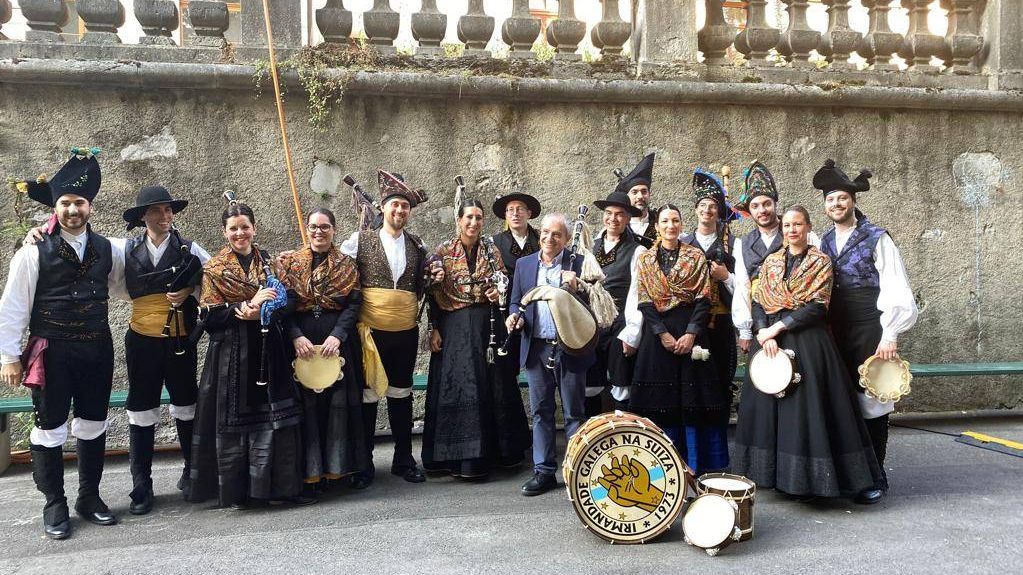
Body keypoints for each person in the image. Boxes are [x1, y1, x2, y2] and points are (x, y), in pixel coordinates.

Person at [23, 184, 213, 514]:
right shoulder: (122, 249)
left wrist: (190, 292)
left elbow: (213, 279)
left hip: (181, 340)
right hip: (141, 339)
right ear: (143, 216)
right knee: (141, 408)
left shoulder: (190, 248)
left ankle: (192, 473)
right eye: (156, 210)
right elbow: (97, 268)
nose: (164, 216)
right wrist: (41, 230)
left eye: (168, 210)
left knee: (187, 404)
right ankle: (142, 484)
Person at [0, 149, 125, 539]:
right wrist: (8, 356)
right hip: (51, 352)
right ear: (55, 207)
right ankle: (54, 502)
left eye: (80, 202)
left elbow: (127, 289)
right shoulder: (32, 251)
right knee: (49, 428)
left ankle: (89, 497)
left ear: (90, 206)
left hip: (96, 349)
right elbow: (14, 305)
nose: (73, 209)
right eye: (66, 203)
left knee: (93, 423)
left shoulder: (110, 248)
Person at [731, 205, 884, 501]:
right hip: (770, 340)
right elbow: (760, 300)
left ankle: (813, 481)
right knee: (770, 412)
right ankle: (776, 477)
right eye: (787, 225)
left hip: (807, 341)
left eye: (797, 224)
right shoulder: (771, 262)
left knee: (808, 412)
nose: (791, 230)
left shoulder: (820, 261)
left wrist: (776, 329)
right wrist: (763, 331)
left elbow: (817, 305)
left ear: (807, 227)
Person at [188, 198, 308, 509]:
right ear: (224, 231)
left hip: (271, 349)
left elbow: (292, 298)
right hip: (232, 354)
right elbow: (209, 316)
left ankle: (278, 488)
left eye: (245, 227)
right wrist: (243, 307)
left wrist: (267, 310)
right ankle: (239, 492)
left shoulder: (270, 262)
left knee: (275, 417)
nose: (240, 233)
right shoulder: (213, 269)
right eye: (233, 229)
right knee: (237, 420)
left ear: (254, 229)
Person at [815, 159, 919, 504]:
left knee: (872, 401)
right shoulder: (823, 242)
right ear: (825, 205)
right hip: (833, 330)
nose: (837, 205)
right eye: (831, 200)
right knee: (842, 402)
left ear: (853, 201)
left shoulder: (877, 238)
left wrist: (889, 334)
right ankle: (849, 475)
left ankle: (876, 477)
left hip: (868, 327)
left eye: (842, 198)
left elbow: (896, 287)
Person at [339, 170, 442, 487]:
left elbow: (429, 288)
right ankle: (365, 463)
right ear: (382, 208)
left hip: (406, 332)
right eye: (394, 205)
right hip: (369, 332)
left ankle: (403, 459)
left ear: (409, 212)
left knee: (401, 393)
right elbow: (335, 269)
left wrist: (434, 317)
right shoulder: (359, 241)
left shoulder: (418, 245)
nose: (399, 211)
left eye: (405, 207)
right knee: (369, 395)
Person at [422, 199, 530, 479]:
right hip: (454, 328)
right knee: (459, 387)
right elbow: (432, 293)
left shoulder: (492, 250)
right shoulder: (443, 251)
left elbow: (503, 281)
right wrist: (433, 327)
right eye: (469, 217)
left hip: (487, 327)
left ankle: (498, 454)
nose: (473, 223)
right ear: (459, 220)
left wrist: (497, 293)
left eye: (478, 218)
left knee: (493, 386)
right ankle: (460, 458)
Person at [630, 204, 729, 475]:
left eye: (675, 220)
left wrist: (690, 333)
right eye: (665, 221)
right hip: (658, 336)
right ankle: (659, 467)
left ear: (682, 224)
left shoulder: (695, 256)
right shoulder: (646, 260)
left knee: (693, 397)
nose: (670, 226)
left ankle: (698, 464)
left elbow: (704, 298)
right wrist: (661, 334)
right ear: (657, 226)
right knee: (660, 399)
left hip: (691, 331)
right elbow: (645, 301)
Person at [277, 208, 369, 499]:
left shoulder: (347, 265)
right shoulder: (289, 264)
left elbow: (354, 304)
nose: (319, 232)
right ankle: (311, 473)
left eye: (325, 227)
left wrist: (338, 336)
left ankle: (341, 469)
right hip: (302, 341)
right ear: (307, 229)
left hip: (335, 341)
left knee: (339, 409)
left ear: (334, 229)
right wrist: (295, 336)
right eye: (314, 227)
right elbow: (282, 307)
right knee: (308, 410)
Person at [506, 213, 594, 496]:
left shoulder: (578, 263)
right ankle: (543, 472)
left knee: (574, 413)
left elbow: (596, 307)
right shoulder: (524, 264)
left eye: (556, 234)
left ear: (566, 239)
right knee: (541, 412)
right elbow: (516, 302)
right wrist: (513, 318)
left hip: (569, 347)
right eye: (545, 232)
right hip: (537, 347)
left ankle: (576, 472)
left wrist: (578, 287)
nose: (549, 238)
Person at [732, 161, 819, 354]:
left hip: (799, 316)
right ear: (749, 211)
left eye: (766, 204)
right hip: (762, 317)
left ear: (775, 203)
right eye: (755, 206)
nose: (761, 210)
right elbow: (743, 286)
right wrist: (746, 330)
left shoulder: (800, 232)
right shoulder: (742, 244)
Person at [680, 169, 738, 454]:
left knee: (720, 380)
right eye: (703, 206)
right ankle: (694, 442)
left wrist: (725, 275)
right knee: (692, 381)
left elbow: (744, 290)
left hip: (722, 322)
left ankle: (718, 444)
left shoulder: (731, 244)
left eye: (713, 206)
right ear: (696, 211)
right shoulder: (683, 243)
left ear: (718, 212)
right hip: (691, 323)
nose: (707, 210)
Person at [586, 190, 648, 415]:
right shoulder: (589, 247)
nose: (613, 219)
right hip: (590, 328)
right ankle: (591, 441)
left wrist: (632, 333)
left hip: (620, 327)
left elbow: (638, 293)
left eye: (620, 214)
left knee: (622, 386)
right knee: (590, 385)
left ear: (628, 218)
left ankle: (624, 439)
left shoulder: (637, 251)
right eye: (609, 213)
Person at [614, 153, 657, 248]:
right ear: (627, 196)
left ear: (649, 194)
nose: (640, 196)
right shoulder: (617, 225)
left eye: (644, 191)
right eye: (634, 192)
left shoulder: (660, 223)